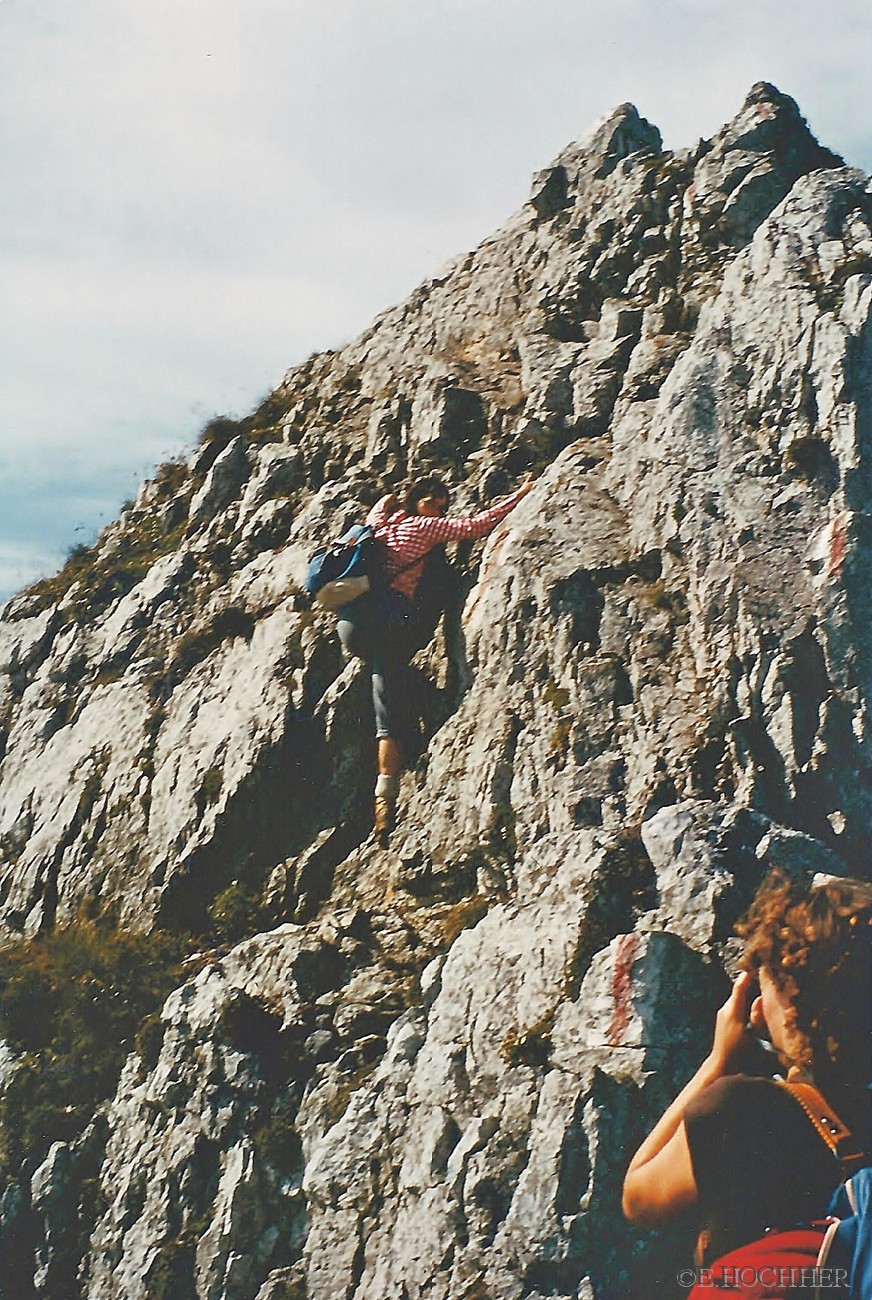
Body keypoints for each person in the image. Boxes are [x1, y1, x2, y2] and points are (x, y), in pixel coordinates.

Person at [622, 871, 872, 1266]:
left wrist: (718, 1061)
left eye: (766, 982)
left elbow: (637, 1199)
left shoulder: (738, 1110)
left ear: (790, 1002)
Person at [337, 473, 533, 845]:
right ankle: (392, 783)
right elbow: (476, 526)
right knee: (391, 699)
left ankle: (383, 807)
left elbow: (382, 504)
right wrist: (520, 494)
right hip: (390, 619)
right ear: (421, 502)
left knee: (386, 703)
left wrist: (397, 496)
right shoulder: (424, 527)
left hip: (352, 623)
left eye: (444, 503)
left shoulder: (380, 521)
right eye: (435, 500)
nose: (441, 507)